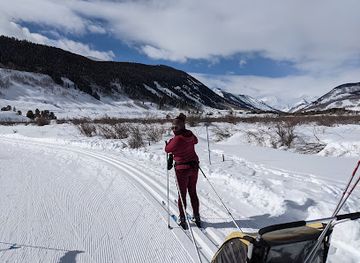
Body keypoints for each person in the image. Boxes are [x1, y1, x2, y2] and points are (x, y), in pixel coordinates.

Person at [165, 113, 201, 229]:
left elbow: (167, 149)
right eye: (173, 127)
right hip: (194, 167)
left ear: (182, 126)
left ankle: (182, 218)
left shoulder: (177, 139)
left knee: (182, 194)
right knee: (193, 192)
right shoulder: (189, 134)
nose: (174, 129)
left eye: (176, 127)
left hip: (182, 170)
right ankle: (196, 216)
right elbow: (195, 141)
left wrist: (171, 140)